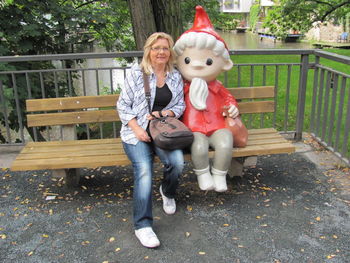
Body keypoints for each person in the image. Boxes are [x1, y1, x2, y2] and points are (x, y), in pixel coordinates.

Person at [117, 32, 185, 248]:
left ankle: (167, 191)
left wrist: (166, 114)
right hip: (136, 132)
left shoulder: (175, 75)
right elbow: (122, 105)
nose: (161, 52)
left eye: (165, 48)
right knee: (144, 170)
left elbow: (180, 105)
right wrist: (136, 128)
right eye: (156, 48)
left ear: (170, 52)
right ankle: (143, 226)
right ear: (148, 51)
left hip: (163, 130)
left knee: (177, 163)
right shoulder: (137, 74)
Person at [174, 6, 239, 192]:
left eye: (208, 61)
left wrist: (232, 107)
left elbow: (229, 100)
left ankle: (219, 174)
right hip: (193, 129)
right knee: (199, 146)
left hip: (218, 126)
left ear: (224, 63)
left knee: (226, 143)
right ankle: (202, 174)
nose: (196, 64)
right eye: (187, 60)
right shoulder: (181, 87)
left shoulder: (217, 88)